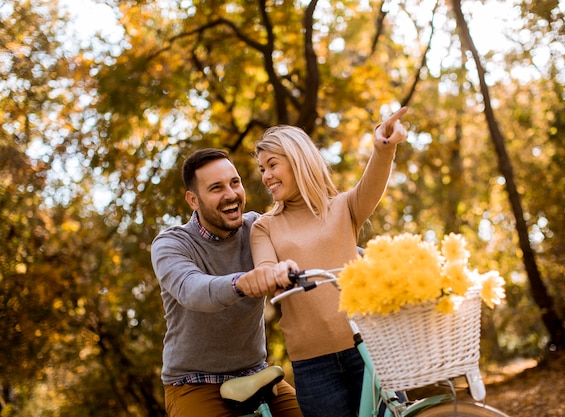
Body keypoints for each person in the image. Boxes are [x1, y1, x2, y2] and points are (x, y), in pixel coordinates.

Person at [249, 107, 409, 417]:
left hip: (368, 350)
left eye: (272, 165)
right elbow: (264, 269)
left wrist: (384, 146)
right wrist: (275, 272)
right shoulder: (265, 227)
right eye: (261, 169)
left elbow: (372, 181)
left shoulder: (343, 207)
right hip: (314, 366)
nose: (266, 176)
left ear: (297, 160)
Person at [150, 148, 303, 417]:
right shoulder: (171, 244)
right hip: (194, 383)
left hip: (257, 373)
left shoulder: (258, 228)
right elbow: (192, 290)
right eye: (216, 188)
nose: (231, 195)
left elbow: (310, 247)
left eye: (235, 183)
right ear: (193, 200)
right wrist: (244, 282)